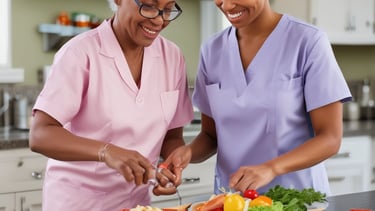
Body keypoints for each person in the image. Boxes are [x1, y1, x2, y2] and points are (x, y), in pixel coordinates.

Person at [163, 0, 352, 196]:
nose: (226, 6)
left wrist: (271, 168)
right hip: (232, 200)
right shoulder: (212, 50)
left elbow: (330, 138)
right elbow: (211, 136)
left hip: (295, 198)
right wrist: (189, 152)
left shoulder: (308, 41)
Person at [29, 0, 193, 210]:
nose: (160, 19)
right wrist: (106, 152)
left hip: (136, 203)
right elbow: (41, 134)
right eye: (149, 6)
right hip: (79, 203)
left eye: (168, 9)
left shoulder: (173, 57)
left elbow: (172, 135)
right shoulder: (80, 53)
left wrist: (169, 166)